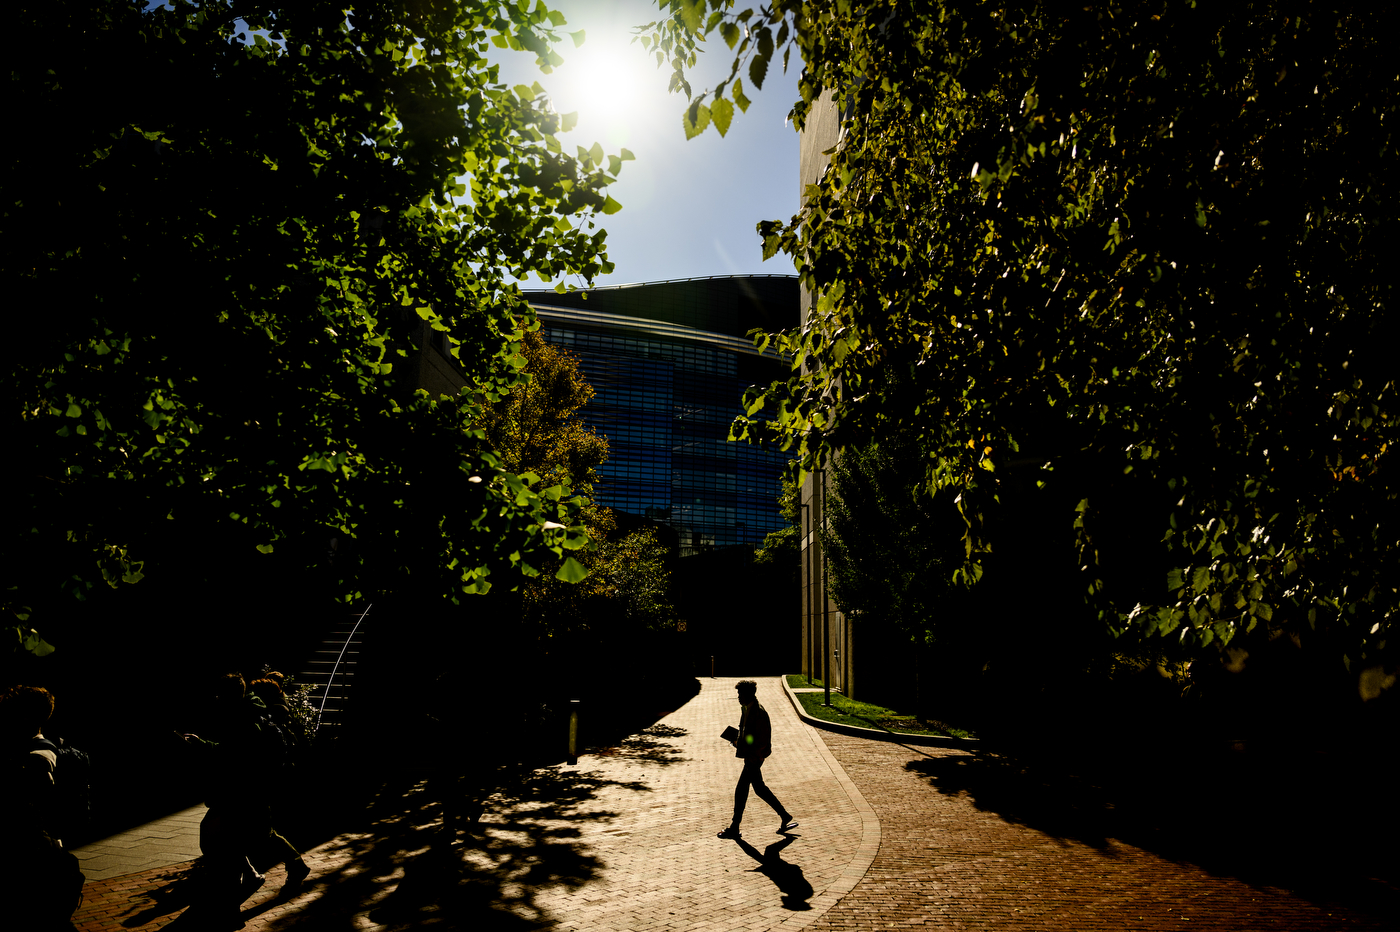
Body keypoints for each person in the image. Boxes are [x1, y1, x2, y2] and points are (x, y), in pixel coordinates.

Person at [0, 685, 86, 928]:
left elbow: (36, 814)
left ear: (24, 717)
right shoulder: (29, 751)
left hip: (34, 859)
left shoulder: (36, 759)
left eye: (7, 711)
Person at [246, 676, 312, 887]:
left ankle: (295, 864)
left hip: (261, 784)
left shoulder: (266, 721)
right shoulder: (268, 718)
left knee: (264, 832)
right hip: (264, 784)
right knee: (258, 831)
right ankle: (253, 872)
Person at [717, 680, 798, 839]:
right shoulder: (748, 709)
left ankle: (734, 827)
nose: (738, 697)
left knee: (741, 790)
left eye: (740, 694)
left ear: (748, 694)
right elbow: (749, 737)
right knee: (759, 789)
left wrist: (751, 757)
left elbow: (760, 741)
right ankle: (784, 815)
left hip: (754, 758)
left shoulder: (758, 713)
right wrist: (737, 741)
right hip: (752, 757)